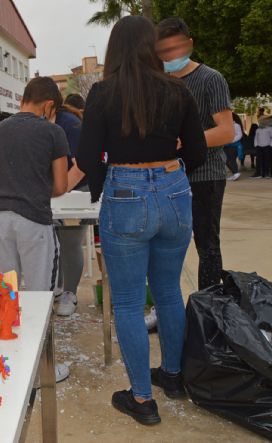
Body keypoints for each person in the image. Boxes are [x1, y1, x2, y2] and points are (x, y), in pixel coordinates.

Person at [78, 16, 207, 425]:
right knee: (168, 291)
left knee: (131, 303)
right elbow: (200, 153)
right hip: (173, 190)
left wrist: (103, 187)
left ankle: (141, 399)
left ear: (115, 49)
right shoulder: (177, 89)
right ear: (152, 48)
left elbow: (86, 158)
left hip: (126, 192)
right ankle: (172, 376)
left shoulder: (102, 93)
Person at [0, 76, 70, 382]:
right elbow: (60, 185)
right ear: (49, 105)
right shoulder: (53, 131)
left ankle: (6, 364)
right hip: (33, 219)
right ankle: (41, 370)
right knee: (38, 296)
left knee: (5, 295)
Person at [157, 18, 235, 290]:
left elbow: (226, 132)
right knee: (164, 247)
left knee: (207, 244)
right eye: (163, 52)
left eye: (175, 49)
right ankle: (166, 306)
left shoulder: (211, 79)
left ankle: (210, 308)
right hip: (166, 176)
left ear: (189, 45)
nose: (170, 56)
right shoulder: (159, 84)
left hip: (205, 176)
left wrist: (186, 141)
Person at [53, 94, 89, 316]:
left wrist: (61, 189)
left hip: (78, 190)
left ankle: (70, 293)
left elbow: (81, 165)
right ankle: (56, 287)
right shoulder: (45, 122)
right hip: (57, 189)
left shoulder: (71, 125)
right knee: (53, 242)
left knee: (70, 241)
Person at [224, 113, 244, 181]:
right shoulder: (226, 125)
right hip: (226, 145)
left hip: (233, 145)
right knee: (227, 159)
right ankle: (235, 173)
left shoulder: (236, 125)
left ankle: (235, 173)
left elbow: (239, 135)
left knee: (230, 159)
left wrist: (231, 140)